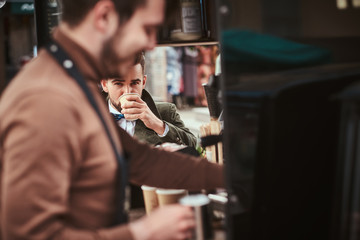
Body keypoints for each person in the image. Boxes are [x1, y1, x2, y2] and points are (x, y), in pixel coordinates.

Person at [0, 0, 224, 239]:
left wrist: (232, 177)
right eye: (146, 29)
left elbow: (141, 160)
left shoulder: (75, 82)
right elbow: (27, 233)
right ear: (104, 16)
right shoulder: (47, 98)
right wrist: (142, 232)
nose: (151, 43)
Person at [100, 51, 197, 147]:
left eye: (134, 83)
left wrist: (158, 125)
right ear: (105, 84)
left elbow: (194, 147)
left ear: (143, 82)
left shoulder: (165, 112)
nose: (128, 92)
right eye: (118, 84)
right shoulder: (89, 116)